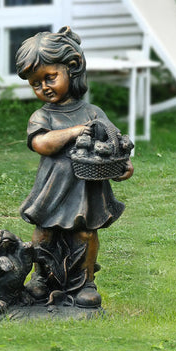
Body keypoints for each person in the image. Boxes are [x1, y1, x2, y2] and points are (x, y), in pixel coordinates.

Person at [15, 26, 133, 308]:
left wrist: (123, 165)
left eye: (49, 77)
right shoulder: (42, 115)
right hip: (53, 188)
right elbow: (42, 144)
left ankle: (85, 282)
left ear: (72, 67)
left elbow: (113, 140)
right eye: (35, 83)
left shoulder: (93, 113)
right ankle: (41, 277)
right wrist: (74, 131)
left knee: (85, 233)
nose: (43, 87)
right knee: (44, 231)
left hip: (87, 188)